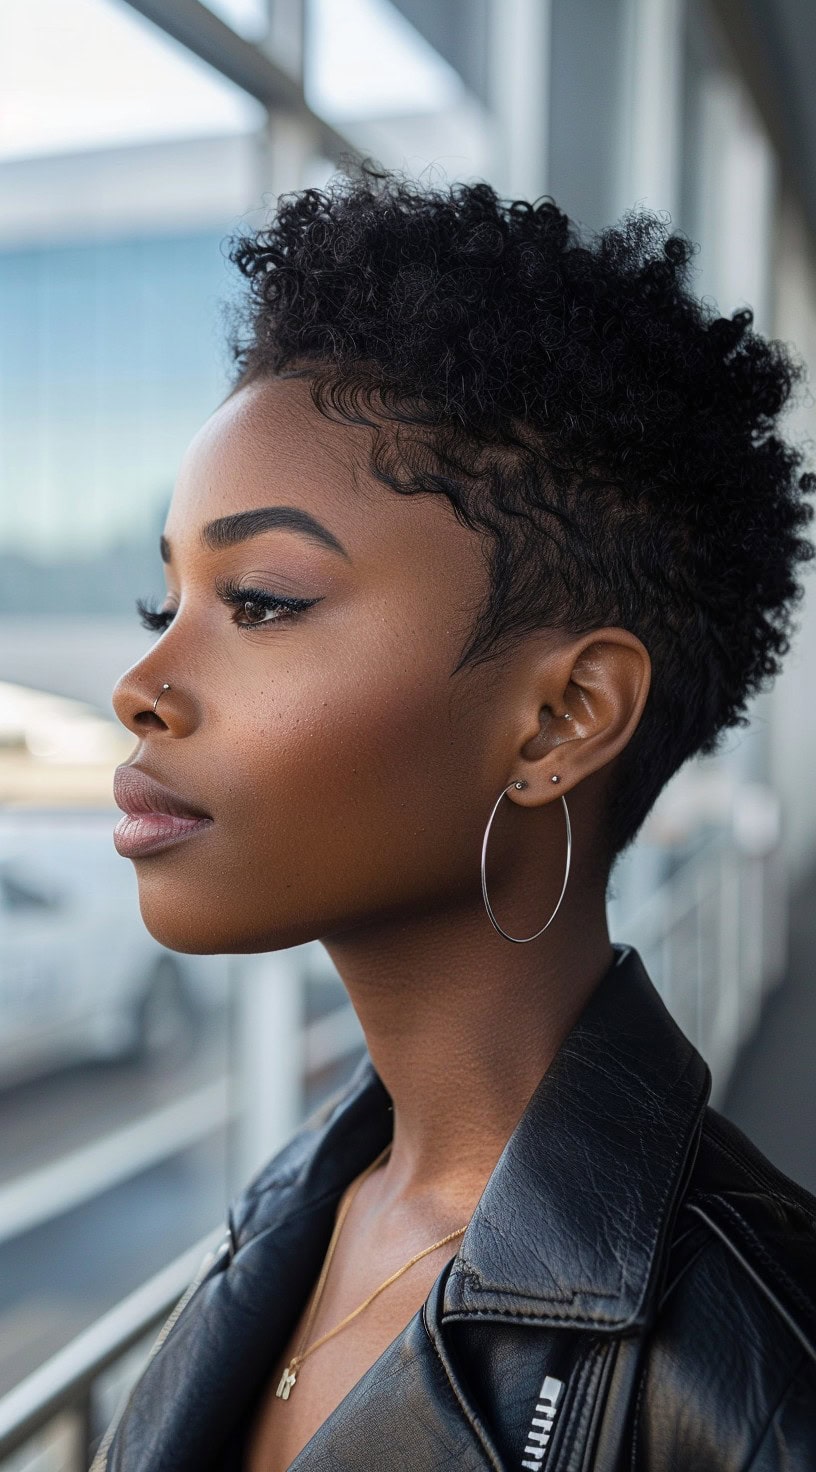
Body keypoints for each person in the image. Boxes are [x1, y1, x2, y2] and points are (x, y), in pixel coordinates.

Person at [100, 163, 816, 1470]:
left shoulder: (759, 1376)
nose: (141, 689)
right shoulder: (303, 1207)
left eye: (259, 599)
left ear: (561, 719)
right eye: (169, 606)